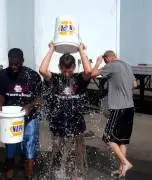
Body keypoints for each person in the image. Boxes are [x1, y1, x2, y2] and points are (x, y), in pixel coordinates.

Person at [39, 42, 92, 180]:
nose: (67, 74)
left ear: (74, 67)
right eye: (64, 70)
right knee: (57, 149)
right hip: (58, 122)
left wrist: (81, 50)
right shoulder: (56, 78)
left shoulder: (79, 79)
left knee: (79, 149)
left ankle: (78, 174)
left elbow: (88, 71)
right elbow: (43, 70)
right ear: (59, 68)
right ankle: (58, 173)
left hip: (77, 122)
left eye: (69, 70)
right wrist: (52, 49)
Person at [0, 48, 42, 180]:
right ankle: (9, 177)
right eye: (11, 64)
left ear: (23, 61)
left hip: (30, 118)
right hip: (10, 119)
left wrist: (30, 106)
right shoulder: (3, 74)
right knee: (10, 152)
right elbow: (0, 94)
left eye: (17, 64)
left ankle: (29, 177)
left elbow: (40, 98)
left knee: (29, 152)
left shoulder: (32, 75)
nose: (14, 67)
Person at [91, 50, 137, 178]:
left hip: (118, 108)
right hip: (130, 107)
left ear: (107, 59)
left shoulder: (111, 65)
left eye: (104, 61)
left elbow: (93, 74)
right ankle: (122, 170)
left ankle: (125, 163)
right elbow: (134, 84)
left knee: (108, 138)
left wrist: (97, 63)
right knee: (122, 141)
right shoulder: (127, 65)